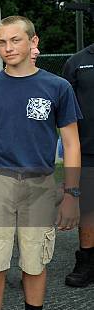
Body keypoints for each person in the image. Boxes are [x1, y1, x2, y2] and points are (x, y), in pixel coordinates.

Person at [0, 16, 81, 310]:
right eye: (1, 42)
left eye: (15, 40)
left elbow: (71, 144)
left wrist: (72, 193)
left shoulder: (57, 87)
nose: (8, 48)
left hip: (40, 186)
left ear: (33, 42)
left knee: (35, 261)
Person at [62, 41, 94, 288]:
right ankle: (86, 260)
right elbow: (66, 112)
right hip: (87, 150)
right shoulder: (76, 62)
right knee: (88, 210)